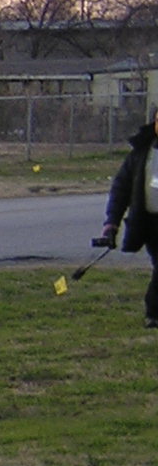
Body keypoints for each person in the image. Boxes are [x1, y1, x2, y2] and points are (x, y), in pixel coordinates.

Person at [98, 104, 158, 326]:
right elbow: (121, 188)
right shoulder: (142, 154)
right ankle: (153, 313)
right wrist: (111, 222)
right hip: (150, 221)